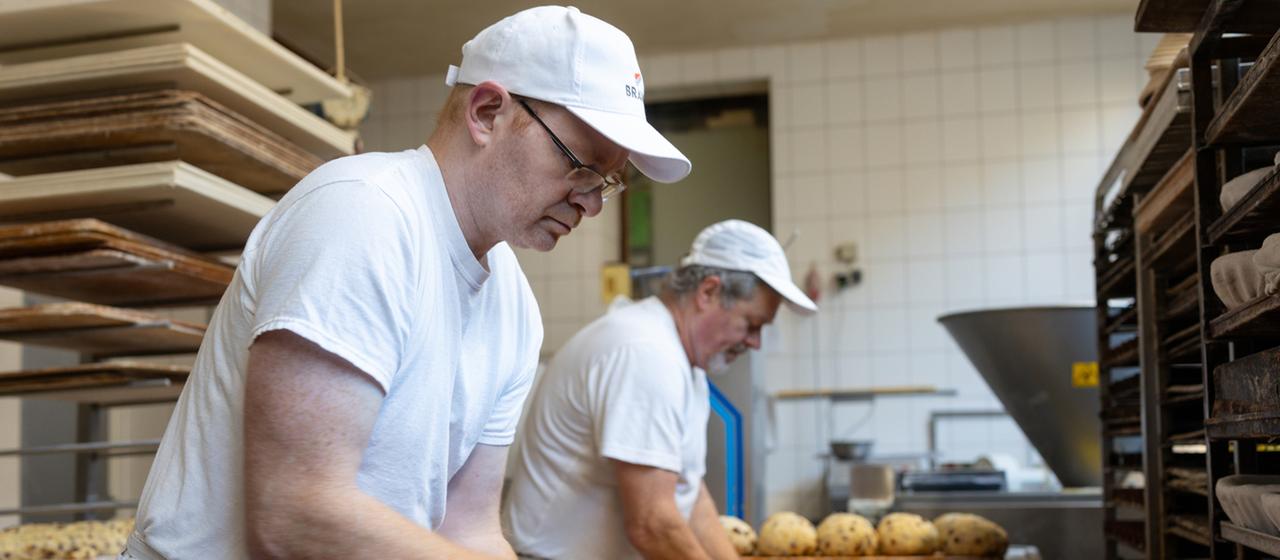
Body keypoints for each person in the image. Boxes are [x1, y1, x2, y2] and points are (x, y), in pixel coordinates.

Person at [121, 6, 690, 559]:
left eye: (608, 181)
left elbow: (469, 528)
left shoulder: (514, 306)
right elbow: (295, 516)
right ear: (488, 111)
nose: (591, 202)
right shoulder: (362, 214)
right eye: (580, 163)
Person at [503, 220, 817, 559]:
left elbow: (690, 497)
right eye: (752, 324)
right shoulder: (646, 354)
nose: (755, 343)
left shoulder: (681, 360)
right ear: (708, 291)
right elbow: (652, 523)